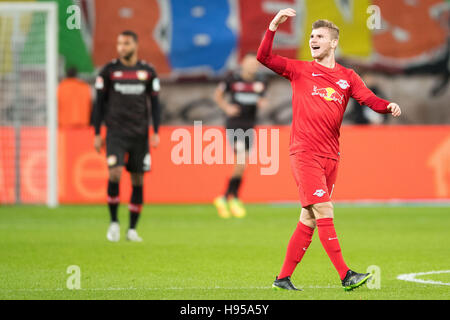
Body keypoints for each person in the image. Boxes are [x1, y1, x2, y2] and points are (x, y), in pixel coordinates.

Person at [256, 8, 401, 291]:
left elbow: (368, 98)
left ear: (333, 42)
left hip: (331, 156)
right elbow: (264, 57)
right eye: (311, 35)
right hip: (304, 152)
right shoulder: (298, 69)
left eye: (320, 36)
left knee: (309, 216)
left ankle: (282, 279)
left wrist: (388, 106)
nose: (313, 39)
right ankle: (346, 275)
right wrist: (273, 25)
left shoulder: (347, 76)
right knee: (324, 208)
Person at [92, 30, 161, 242]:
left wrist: (155, 131)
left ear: (135, 45)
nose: (122, 47)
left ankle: (132, 229)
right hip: (116, 133)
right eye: (119, 43)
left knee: (138, 179)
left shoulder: (148, 71)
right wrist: (97, 132)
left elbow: (155, 103)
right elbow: (98, 105)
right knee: (114, 173)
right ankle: (114, 223)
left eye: (126, 43)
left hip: (139, 134)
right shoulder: (109, 71)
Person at [213, 52, 268, 218]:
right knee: (241, 159)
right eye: (249, 63)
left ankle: (225, 197)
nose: (252, 66)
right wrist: (226, 108)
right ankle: (233, 198)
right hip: (234, 125)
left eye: (255, 64)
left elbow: (262, 98)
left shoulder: (261, 82)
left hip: (249, 125)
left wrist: (262, 102)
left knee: (242, 164)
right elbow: (218, 95)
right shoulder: (232, 79)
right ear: (243, 64)